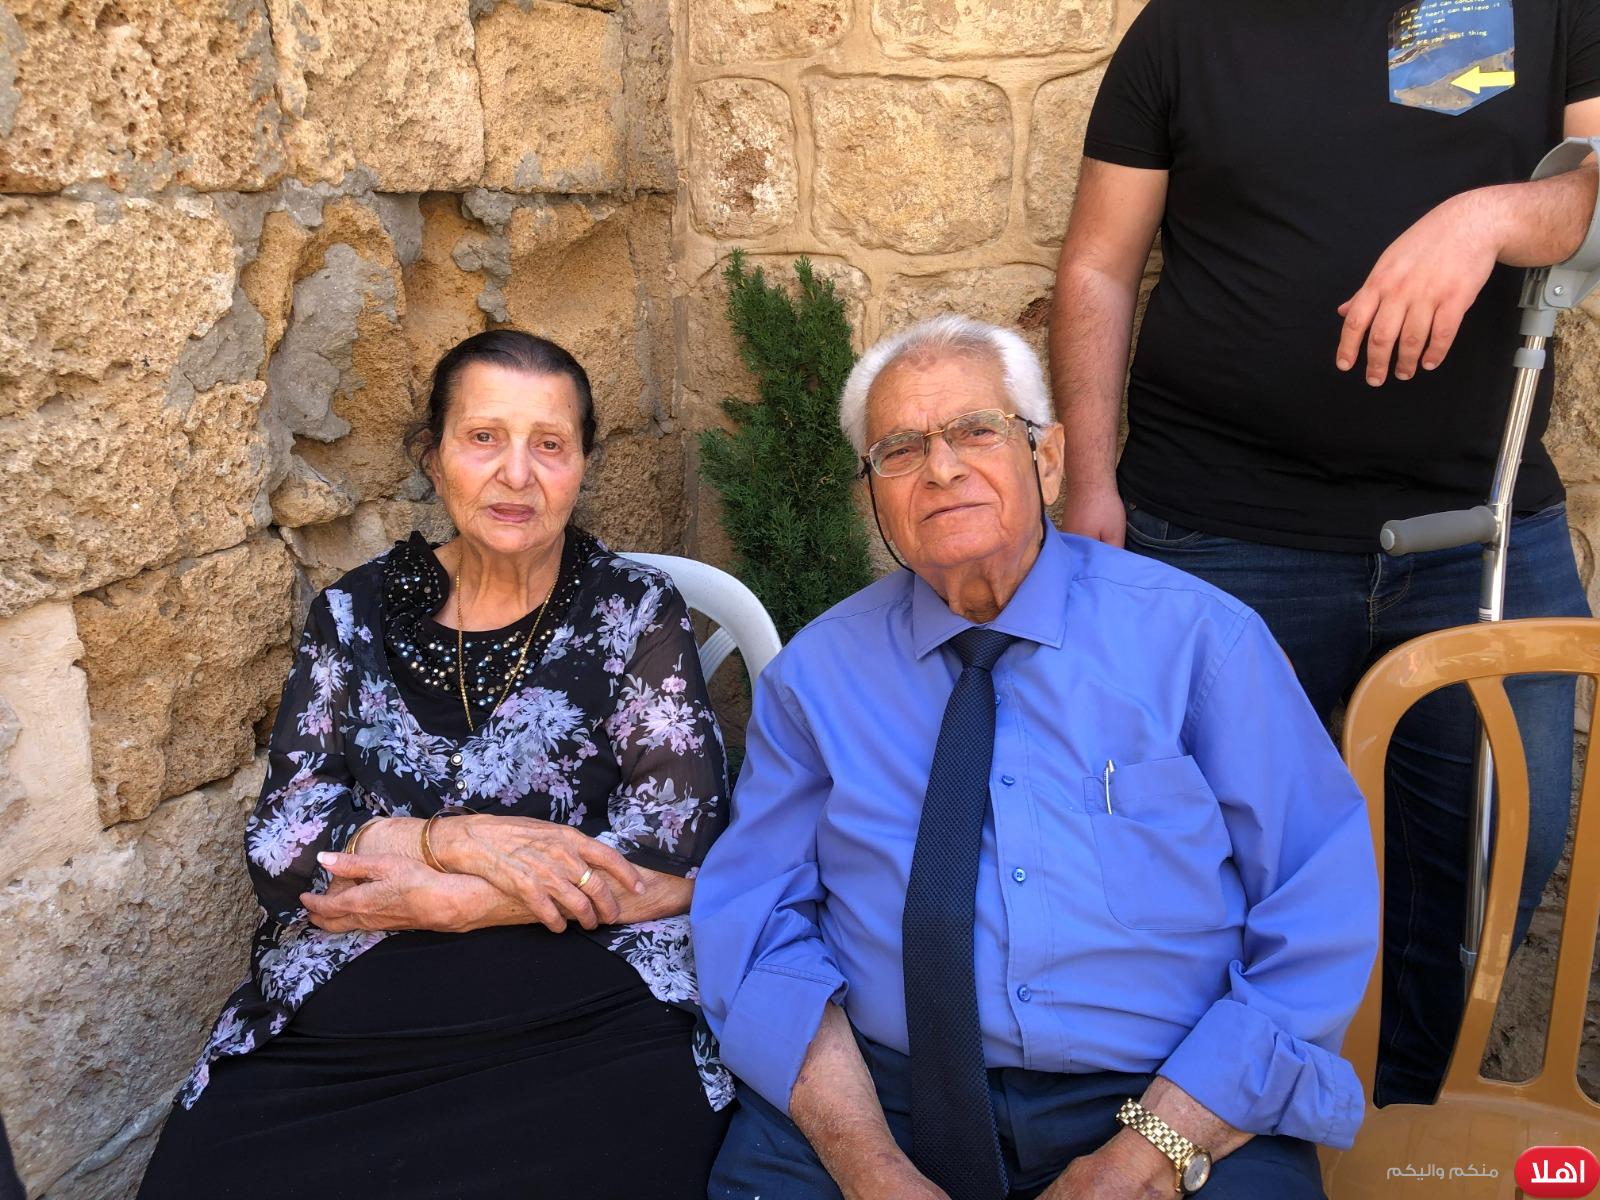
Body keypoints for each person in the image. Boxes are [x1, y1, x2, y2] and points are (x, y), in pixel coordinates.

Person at [1048, 0, 1600, 1107]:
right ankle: (1212, 1128)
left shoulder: (1545, 9)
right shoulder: (1184, 29)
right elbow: (1100, 266)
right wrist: (1088, 484)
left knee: (1493, 855)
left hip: (1475, 524)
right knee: (1197, 864)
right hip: (1216, 529)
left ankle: (1400, 1126)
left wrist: (1492, 214)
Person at [690, 315, 1378, 1200]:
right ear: (873, 496)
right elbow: (758, 928)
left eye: (977, 431)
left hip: (1164, 1091)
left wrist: (1148, 1154)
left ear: (1048, 460)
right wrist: (870, 1167)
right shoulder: (814, 680)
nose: (941, 469)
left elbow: (1317, 905)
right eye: (900, 450)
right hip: (883, 1095)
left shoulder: (1201, 643)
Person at [139, 330, 732, 1198]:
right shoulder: (353, 613)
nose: (517, 474)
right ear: (433, 454)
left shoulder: (635, 611)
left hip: (591, 1001)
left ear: (582, 465)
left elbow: (679, 846)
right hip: (357, 1002)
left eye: (550, 445)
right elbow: (281, 845)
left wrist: (460, 903)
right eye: (484, 437)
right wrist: (446, 841)